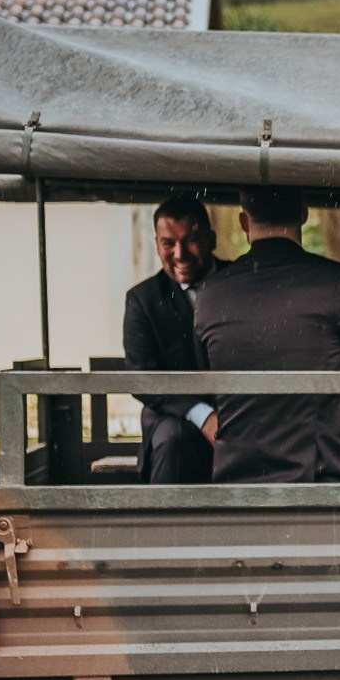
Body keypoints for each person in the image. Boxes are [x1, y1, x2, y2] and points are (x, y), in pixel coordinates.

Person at [193, 186, 340, 483]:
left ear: (244, 222)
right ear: (304, 215)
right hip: (336, 462)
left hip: (243, 467)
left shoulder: (210, 296)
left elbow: (207, 380)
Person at [121, 196, 227, 484]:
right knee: (174, 439)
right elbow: (141, 376)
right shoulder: (143, 300)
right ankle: (163, 527)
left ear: (211, 239)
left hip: (237, 410)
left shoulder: (240, 282)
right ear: (157, 244)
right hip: (171, 416)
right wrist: (203, 415)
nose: (180, 253)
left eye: (191, 240)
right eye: (168, 243)